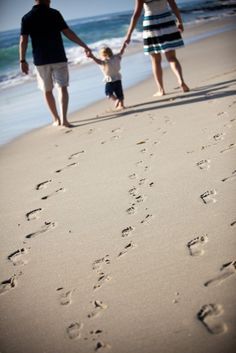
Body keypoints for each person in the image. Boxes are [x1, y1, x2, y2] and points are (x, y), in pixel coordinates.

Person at [19, 0, 91, 127]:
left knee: (47, 90)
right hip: (58, 56)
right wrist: (84, 45)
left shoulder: (27, 18)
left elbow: (23, 41)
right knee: (62, 87)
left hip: (41, 60)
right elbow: (67, 32)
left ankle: (56, 119)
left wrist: (22, 60)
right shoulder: (54, 13)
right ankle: (64, 119)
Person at [123, 0, 189, 96]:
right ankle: (181, 80)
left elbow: (136, 14)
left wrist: (128, 34)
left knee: (155, 60)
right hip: (167, 20)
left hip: (151, 23)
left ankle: (161, 90)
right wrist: (179, 21)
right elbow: (173, 5)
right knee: (172, 57)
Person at [87, 44, 126, 109]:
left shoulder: (104, 62)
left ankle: (116, 100)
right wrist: (124, 45)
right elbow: (121, 51)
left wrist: (92, 56)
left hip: (109, 80)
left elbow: (97, 61)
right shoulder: (117, 57)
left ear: (103, 55)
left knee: (108, 93)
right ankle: (121, 105)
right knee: (119, 93)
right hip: (118, 79)